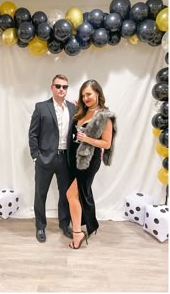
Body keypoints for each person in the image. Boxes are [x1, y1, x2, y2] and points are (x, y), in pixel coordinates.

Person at [66, 79, 117, 249]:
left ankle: (77, 233)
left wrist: (87, 139)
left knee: (71, 195)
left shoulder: (104, 117)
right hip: (75, 160)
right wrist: (78, 107)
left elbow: (106, 143)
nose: (85, 97)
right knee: (79, 194)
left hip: (89, 162)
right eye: (83, 95)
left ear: (97, 93)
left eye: (88, 94)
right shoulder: (83, 112)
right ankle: (82, 227)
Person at [29, 74, 76, 243]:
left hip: (65, 160)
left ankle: (64, 224)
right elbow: (33, 133)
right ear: (52, 87)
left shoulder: (72, 108)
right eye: (58, 86)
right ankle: (40, 226)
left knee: (65, 194)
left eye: (65, 87)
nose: (61, 89)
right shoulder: (41, 107)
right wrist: (36, 156)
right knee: (40, 194)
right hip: (45, 159)